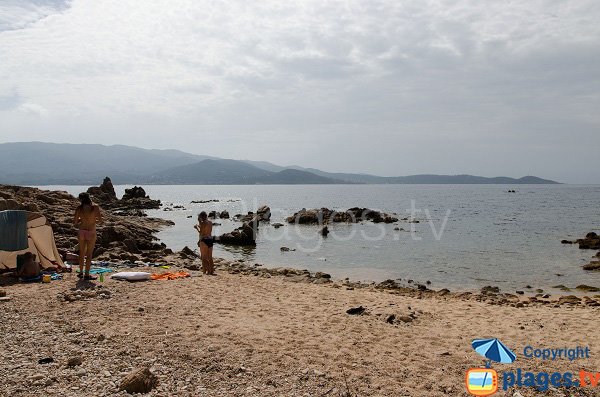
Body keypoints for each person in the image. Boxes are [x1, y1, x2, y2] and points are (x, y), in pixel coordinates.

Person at [73, 192, 103, 280]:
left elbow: (75, 222)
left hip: (82, 231)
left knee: (81, 253)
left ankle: (81, 272)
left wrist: (80, 221)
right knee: (89, 254)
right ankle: (87, 274)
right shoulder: (95, 207)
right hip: (91, 231)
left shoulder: (79, 208)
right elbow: (100, 220)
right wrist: (93, 221)